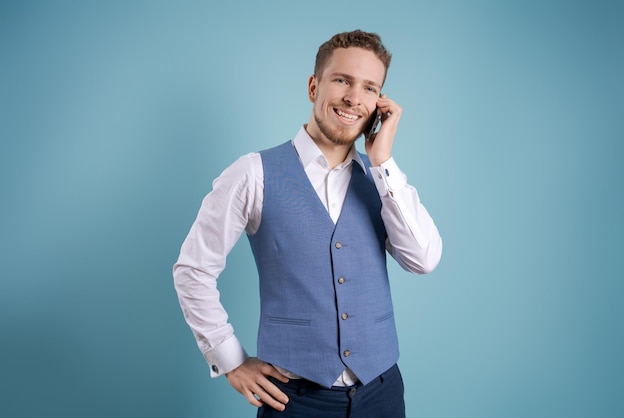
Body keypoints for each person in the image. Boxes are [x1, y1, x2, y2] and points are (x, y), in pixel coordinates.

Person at [173, 29, 443, 418]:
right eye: (342, 80)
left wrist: (382, 160)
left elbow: (423, 259)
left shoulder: (383, 180)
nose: (354, 97)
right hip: (295, 401)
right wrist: (229, 359)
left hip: (382, 395)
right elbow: (193, 270)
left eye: (370, 88)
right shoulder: (254, 173)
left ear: (380, 102)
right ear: (314, 86)